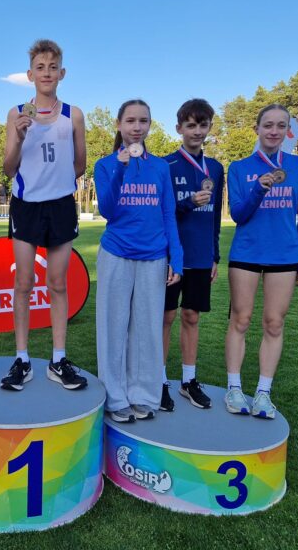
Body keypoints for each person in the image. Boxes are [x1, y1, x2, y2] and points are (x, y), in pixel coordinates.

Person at [0, 39, 87, 391]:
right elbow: (7, 168)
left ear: (61, 73)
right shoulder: (16, 113)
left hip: (61, 205)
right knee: (23, 283)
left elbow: (80, 164)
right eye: (40, 67)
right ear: (30, 74)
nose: (47, 73)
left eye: (53, 67)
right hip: (26, 204)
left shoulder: (73, 115)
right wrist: (19, 138)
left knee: (57, 283)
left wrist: (59, 183)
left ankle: (57, 359)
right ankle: (22, 358)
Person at [224, 104, 298, 419]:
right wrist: (258, 190)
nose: (274, 131)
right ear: (257, 130)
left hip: (285, 255)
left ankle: (263, 393)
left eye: (280, 125)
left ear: (287, 130)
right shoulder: (239, 168)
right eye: (268, 125)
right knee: (241, 320)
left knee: (274, 323)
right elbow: (238, 215)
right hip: (246, 253)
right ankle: (234, 388)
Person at [94, 99, 183, 423]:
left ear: (149, 125)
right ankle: (115, 397)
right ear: (119, 125)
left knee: (147, 330)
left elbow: (168, 214)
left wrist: (178, 258)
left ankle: (144, 396)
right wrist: (120, 167)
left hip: (154, 256)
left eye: (143, 120)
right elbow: (108, 209)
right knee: (113, 328)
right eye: (130, 120)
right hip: (116, 253)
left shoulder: (160, 167)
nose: (136, 126)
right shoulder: (105, 165)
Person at [161, 99, 224, 411]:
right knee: (166, 317)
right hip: (172, 255)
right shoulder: (166, 165)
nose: (197, 131)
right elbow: (160, 212)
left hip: (200, 256)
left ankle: (188, 380)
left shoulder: (215, 168)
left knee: (191, 316)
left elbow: (215, 217)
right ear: (179, 129)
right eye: (191, 125)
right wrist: (187, 203)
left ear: (209, 127)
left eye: (203, 125)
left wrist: (215, 255)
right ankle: (159, 381)